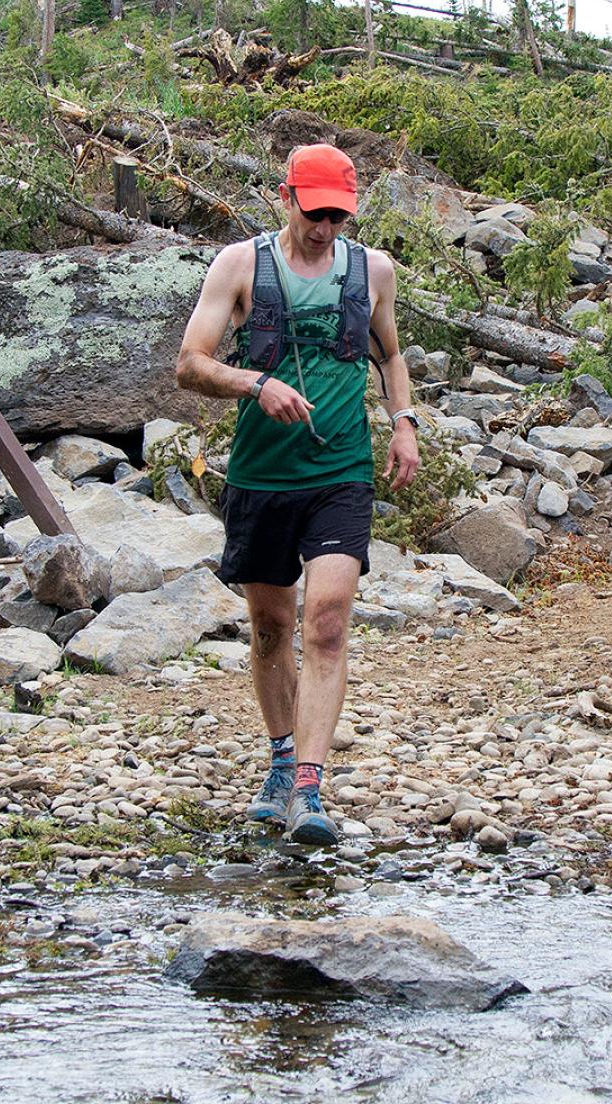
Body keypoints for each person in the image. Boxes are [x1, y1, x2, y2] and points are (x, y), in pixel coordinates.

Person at [175, 143, 420, 846]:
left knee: (329, 623)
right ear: (286, 198)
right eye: (315, 214)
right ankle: (280, 761)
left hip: (342, 471)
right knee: (271, 630)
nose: (325, 228)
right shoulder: (238, 265)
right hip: (261, 475)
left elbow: (391, 354)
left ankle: (310, 787)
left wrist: (404, 423)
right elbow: (189, 364)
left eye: (338, 216)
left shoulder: (372, 270)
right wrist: (256, 383)